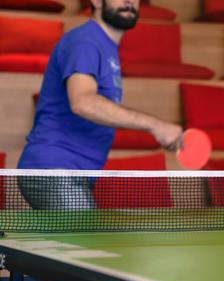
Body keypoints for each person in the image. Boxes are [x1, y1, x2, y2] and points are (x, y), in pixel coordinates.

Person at [17, 0, 182, 210]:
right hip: (55, 170)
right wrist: (156, 125)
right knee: (89, 241)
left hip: (74, 173)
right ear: (96, 0)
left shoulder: (106, 47)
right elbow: (82, 102)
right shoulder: (86, 41)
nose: (129, 1)